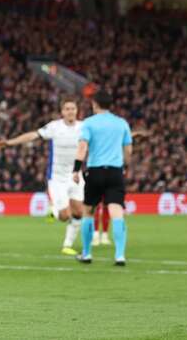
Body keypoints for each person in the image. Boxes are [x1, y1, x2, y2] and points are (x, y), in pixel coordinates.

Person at [0, 97, 84, 255]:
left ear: (77, 111)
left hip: (76, 176)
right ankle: (54, 210)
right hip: (57, 178)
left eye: (73, 109)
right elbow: (33, 135)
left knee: (79, 212)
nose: (70, 111)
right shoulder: (54, 127)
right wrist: (10, 142)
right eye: (67, 109)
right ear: (62, 112)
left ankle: (67, 245)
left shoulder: (84, 127)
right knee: (64, 216)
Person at [73, 90, 132, 266]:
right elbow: (128, 150)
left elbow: (82, 148)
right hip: (115, 171)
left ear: (95, 104)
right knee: (117, 212)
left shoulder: (89, 123)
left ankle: (87, 253)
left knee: (88, 212)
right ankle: (120, 255)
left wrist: (76, 170)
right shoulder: (122, 123)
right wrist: (125, 166)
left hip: (95, 171)